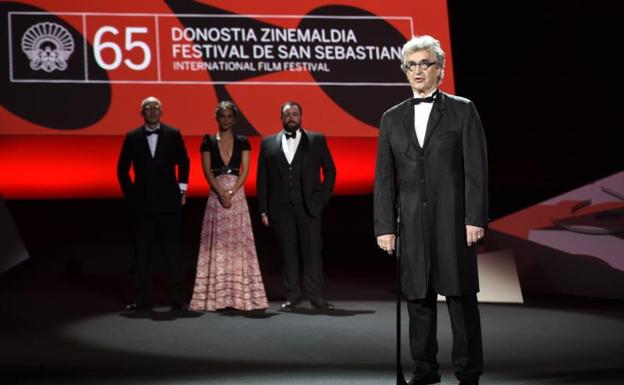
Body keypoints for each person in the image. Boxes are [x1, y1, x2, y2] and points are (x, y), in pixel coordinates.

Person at [374, 35, 488, 385]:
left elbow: (476, 168)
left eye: (425, 64)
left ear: (440, 69)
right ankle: (425, 369)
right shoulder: (392, 118)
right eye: (411, 65)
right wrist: (384, 227)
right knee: (418, 297)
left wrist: (474, 217)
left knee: (459, 296)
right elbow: (383, 178)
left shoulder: (462, 109)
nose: (418, 71)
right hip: (410, 222)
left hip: (454, 221)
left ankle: (468, 370)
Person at [256, 101, 336, 310]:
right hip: (281, 209)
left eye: (295, 113)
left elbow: (330, 171)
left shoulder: (316, 140)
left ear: (301, 117)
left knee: (312, 253)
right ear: (281, 118)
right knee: (288, 253)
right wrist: (263, 208)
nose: (291, 117)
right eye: (287, 114)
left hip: (309, 207)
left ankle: (316, 296)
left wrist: (321, 198)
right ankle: (293, 296)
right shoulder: (268, 143)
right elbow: (262, 179)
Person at [189, 101, 268, 312]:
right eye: (222, 116)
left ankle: (239, 297)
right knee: (217, 246)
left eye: (229, 116)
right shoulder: (207, 140)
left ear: (234, 119)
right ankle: (216, 297)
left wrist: (231, 192)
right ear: (217, 118)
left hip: (237, 197)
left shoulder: (243, 141)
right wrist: (220, 192)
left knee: (238, 246)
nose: (225, 120)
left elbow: (245, 170)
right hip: (216, 196)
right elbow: (207, 171)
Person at [117, 96, 190, 311]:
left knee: (173, 253)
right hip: (142, 205)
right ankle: (142, 300)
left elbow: (184, 162)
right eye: (148, 108)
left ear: (161, 111)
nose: (152, 111)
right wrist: (131, 195)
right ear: (142, 113)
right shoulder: (132, 137)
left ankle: (177, 299)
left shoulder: (173, 134)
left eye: (156, 107)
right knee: (142, 254)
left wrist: (182, 189)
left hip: (169, 203)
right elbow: (122, 169)